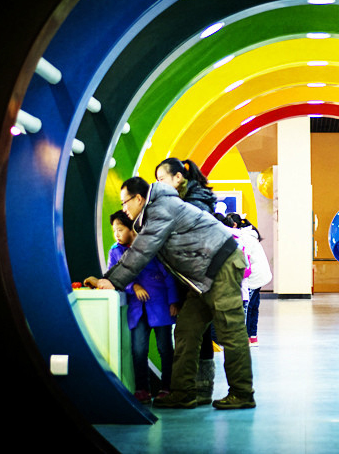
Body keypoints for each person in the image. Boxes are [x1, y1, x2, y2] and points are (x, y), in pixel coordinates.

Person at [96, 177, 255, 410]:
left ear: (138, 199)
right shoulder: (153, 213)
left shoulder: (161, 209)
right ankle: (183, 392)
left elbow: (141, 251)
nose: (124, 208)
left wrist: (111, 281)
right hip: (200, 277)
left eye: (124, 202)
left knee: (230, 330)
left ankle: (242, 393)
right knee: (186, 330)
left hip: (221, 265)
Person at [155, 157, 218, 403]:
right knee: (199, 333)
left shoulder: (191, 204)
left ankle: (187, 391)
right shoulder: (197, 199)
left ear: (178, 177)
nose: (159, 185)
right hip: (202, 277)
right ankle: (201, 389)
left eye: (162, 179)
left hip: (197, 279)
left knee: (187, 333)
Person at [107, 210, 179, 405]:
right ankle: (142, 390)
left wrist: (173, 301)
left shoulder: (150, 247)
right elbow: (113, 277)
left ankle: (167, 388)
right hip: (137, 309)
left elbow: (168, 274)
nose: (116, 234)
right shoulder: (115, 251)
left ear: (132, 229)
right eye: (114, 230)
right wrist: (134, 286)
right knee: (138, 350)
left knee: (165, 349)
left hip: (160, 305)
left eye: (120, 229)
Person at [223, 213, 272, 347]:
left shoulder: (244, 238)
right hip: (260, 275)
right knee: (253, 306)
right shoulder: (250, 235)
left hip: (253, 276)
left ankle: (245, 338)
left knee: (247, 307)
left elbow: (244, 259)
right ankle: (252, 337)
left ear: (234, 225)